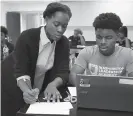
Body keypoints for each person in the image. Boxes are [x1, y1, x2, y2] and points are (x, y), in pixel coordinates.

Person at [14, 2, 72, 105]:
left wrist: (53, 85)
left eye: (64, 26)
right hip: (18, 89)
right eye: (56, 24)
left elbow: (63, 71)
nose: (60, 30)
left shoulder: (64, 42)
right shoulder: (27, 37)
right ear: (46, 19)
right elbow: (21, 71)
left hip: (42, 93)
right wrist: (27, 91)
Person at [69, 13, 133, 86]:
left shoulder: (128, 54)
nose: (102, 42)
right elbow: (73, 75)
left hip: (118, 94)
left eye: (108, 38)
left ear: (117, 36)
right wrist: (86, 87)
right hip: (92, 93)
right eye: (99, 37)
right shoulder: (87, 52)